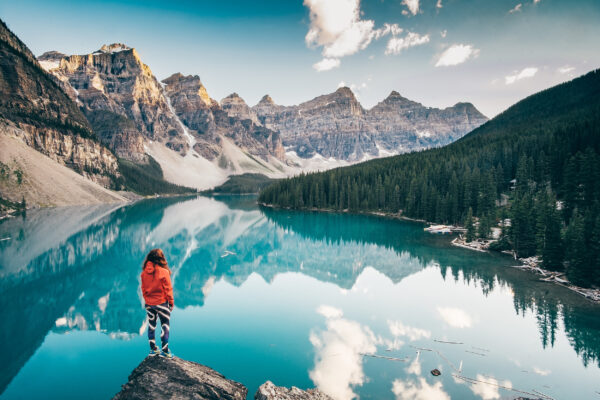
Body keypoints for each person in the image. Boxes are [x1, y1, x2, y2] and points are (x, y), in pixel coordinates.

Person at [141, 248, 174, 358]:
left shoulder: (144, 273)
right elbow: (168, 289)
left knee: (151, 325)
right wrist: (171, 302)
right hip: (162, 303)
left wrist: (147, 300)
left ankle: (153, 349)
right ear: (160, 258)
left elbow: (143, 289)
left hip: (149, 304)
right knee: (165, 325)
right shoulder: (164, 272)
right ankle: (165, 351)